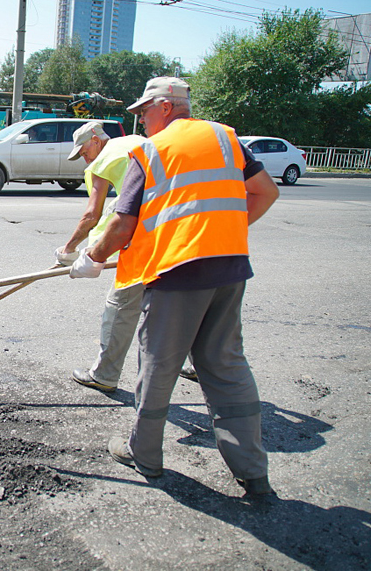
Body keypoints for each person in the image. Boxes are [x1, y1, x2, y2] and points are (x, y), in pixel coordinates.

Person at [70, 77, 280, 496]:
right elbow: (265, 192)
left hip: (178, 273)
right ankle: (253, 472)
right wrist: (220, 236)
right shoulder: (225, 138)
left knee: (158, 363)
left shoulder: (150, 150)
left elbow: (122, 221)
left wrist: (91, 259)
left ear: (165, 107)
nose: (139, 122)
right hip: (230, 266)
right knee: (226, 365)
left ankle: (143, 454)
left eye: (143, 112)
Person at [54, 122, 152, 394]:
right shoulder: (136, 141)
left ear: (97, 140)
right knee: (181, 301)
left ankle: (105, 375)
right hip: (175, 231)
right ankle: (197, 365)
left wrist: (69, 250)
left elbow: (92, 216)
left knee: (120, 305)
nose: (85, 158)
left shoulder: (103, 160)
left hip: (144, 240)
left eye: (84, 151)